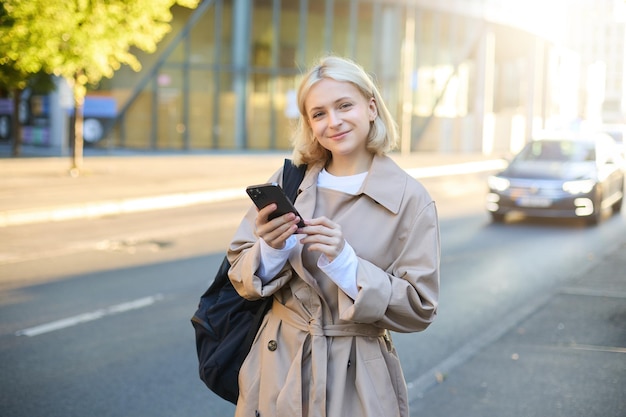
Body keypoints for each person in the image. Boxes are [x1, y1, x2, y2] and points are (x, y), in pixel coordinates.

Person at [227, 55, 440, 417]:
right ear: (309, 123)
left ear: (371, 107)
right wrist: (272, 249)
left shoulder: (410, 198)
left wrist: (346, 264)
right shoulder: (288, 181)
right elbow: (241, 274)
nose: (334, 122)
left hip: (356, 380)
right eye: (319, 113)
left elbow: (419, 308)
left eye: (345, 105)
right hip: (276, 371)